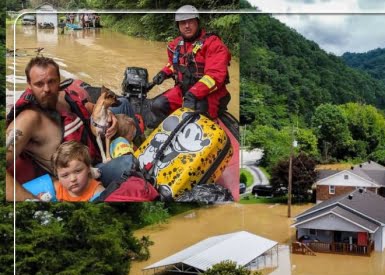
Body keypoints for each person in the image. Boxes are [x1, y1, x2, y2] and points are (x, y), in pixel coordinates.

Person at [6, 57, 134, 201]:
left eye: (51, 81)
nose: (47, 89)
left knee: (123, 103)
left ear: (59, 80)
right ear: (29, 85)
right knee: (127, 164)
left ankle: (133, 145)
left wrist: (110, 117)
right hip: (81, 176)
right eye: (39, 84)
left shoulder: (62, 97)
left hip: (94, 151)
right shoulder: (28, 120)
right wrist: (34, 201)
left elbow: (90, 108)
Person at [148, 5, 232, 127]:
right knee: (158, 105)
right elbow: (174, 64)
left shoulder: (213, 44)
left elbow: (215, 75)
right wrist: (164, 73)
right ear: (178, 26)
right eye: (182, 22)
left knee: (195, 117)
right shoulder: (175, 45)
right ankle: (168, 133)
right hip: (184, 91)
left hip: (210, 94)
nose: (187, 26)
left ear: (197, 22)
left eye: (190, 21)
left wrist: (193, 94)